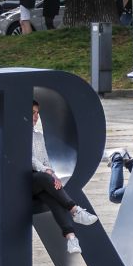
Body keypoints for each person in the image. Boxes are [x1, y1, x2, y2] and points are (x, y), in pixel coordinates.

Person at [32, 101, 98, 254]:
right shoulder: (19, 135)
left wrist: (53, 174)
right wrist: (47, 172)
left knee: (52, 198)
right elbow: (29, 159)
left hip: (41, 181)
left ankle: (71, 238)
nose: (36, 116)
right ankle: (75, 210)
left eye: (37, 113)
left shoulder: (38, 136)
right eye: (33, 112)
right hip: (25, 179)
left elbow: (45, 160)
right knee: (45, 178)